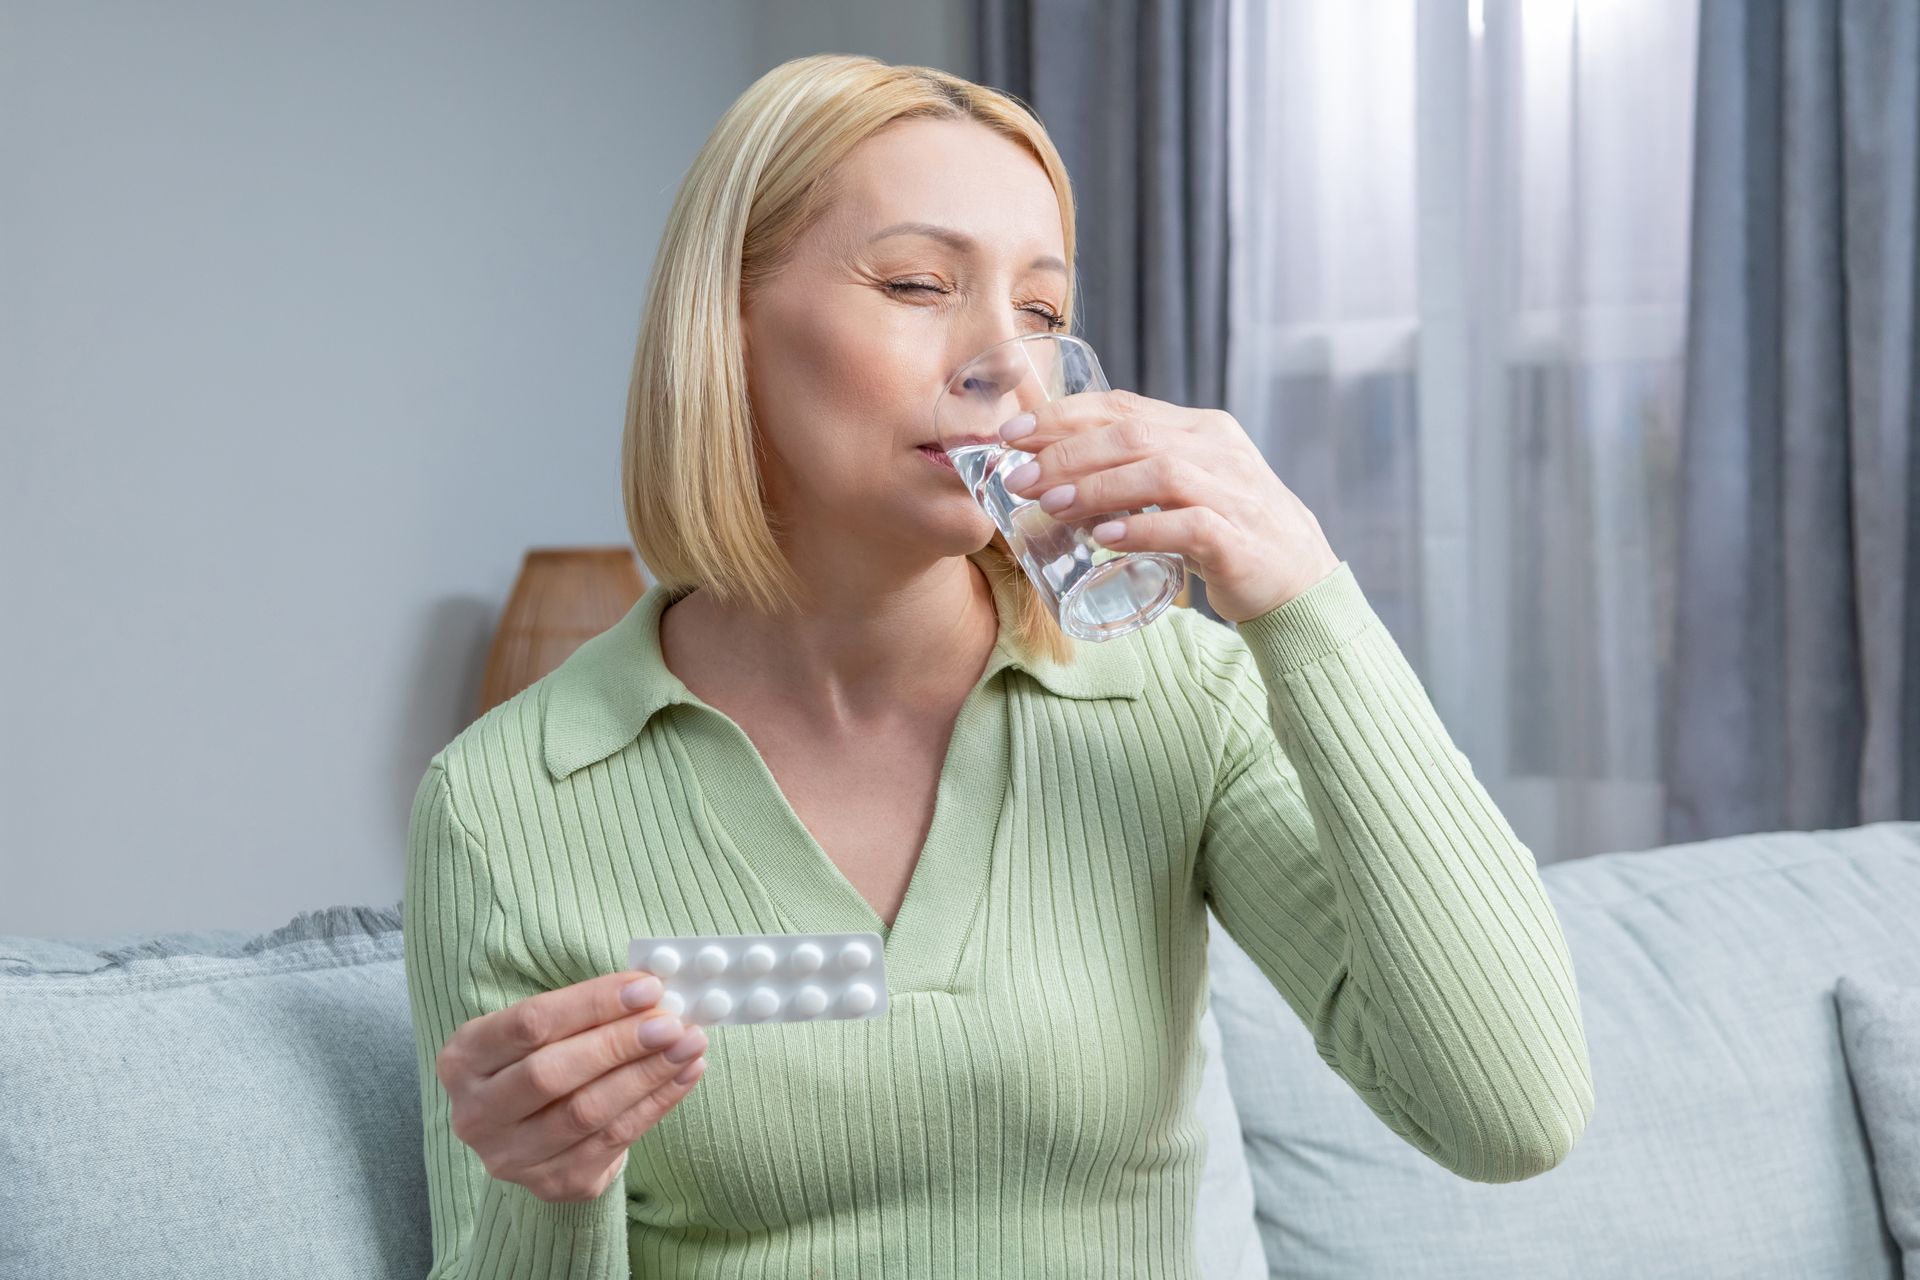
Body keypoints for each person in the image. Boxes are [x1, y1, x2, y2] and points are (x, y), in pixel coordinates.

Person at [404, 52, 1594, 1280]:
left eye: (1040, 311)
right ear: (732, 325)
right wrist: (546, 1189)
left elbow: (1510, 1113)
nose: (1010, 368)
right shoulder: (507, 801)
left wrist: (1302, 593)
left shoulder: (1175, 701)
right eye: (920, 282)